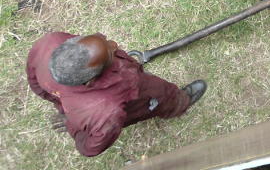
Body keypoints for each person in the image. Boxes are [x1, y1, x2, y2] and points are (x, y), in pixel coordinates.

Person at [26, 32, 206, 157]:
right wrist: (74, 128)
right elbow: (90, 148)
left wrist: (62, 107)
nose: (114, 45)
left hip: (114, 86)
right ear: (89, 81)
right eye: (110, 55)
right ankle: (179, 103)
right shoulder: (106, 112)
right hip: (134, 98)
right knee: (161, 96)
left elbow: (36, 83)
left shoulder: (49, 42)